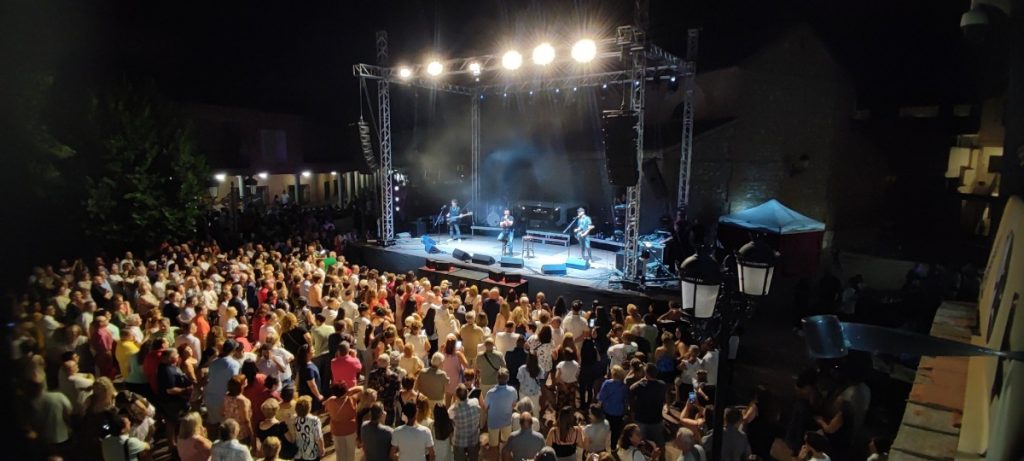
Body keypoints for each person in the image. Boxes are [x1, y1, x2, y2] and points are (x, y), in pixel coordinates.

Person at [206, 340, 244, 425]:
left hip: (210, 399)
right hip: (223, 402)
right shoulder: (235, 364)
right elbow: (235, 383)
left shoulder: (213, 363)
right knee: (226, 428)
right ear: (234, 350)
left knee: (213, 426)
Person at [485, 368, 518, 460]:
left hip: (493, 422)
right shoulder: (513, 391)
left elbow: (486, 407)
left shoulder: (490, 393)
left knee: (493, 446)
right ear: (508, 378)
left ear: (497, 378)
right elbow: (514, 404)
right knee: (506, 443)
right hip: (506, 421)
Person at [630, 364, 667, 445]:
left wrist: (640, 380)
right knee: (660, 441)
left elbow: (631, 388)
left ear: (646, 374)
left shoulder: (640, 386)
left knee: (640, 442)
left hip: (641, 419)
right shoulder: (662, 385)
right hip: (656, 419)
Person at [597, 365, 629, 449]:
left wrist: (598, 408)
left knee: (605, 429)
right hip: (619, 412)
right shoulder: (624, 387)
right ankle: (613, 447)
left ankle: (602, 446)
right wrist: (626, 411)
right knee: (616, 431)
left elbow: (601, 397)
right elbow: (626, 400)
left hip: (607, 411)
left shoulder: (607, 383)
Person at [450, 384, 481, 461]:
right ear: (467, 392)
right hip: (473, 439)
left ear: (457, 396)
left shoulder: (453, 409)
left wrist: (455, 402)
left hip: (459, 441)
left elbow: (449, 416)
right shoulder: (475, 401)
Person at [288, 396, 324, 461]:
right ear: (309, 408)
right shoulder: (314, 420)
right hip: (312, 452)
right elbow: (318, 437)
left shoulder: (294, 418)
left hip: (298, 452)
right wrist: (322, 449)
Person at [222, 375, 253, 443]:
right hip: (241, 434)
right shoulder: (243, 401)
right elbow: (246, 420)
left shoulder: (226, 397)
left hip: (228, 432)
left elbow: (221, 413)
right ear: (241, 386)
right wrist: (252, 435)